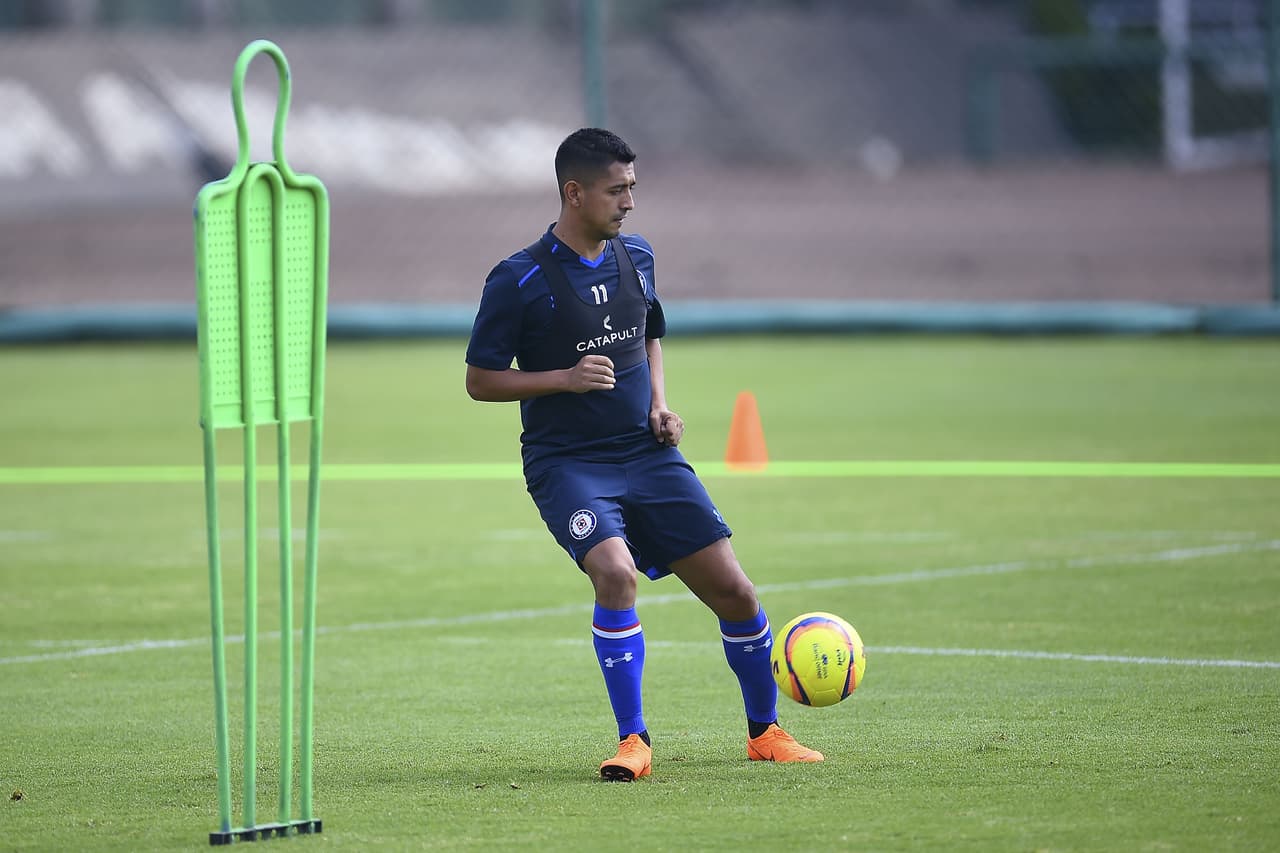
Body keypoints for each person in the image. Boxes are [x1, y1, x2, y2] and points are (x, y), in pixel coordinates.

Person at [464, 127, 822, 781]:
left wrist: (659, 403)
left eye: (633, 187)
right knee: (617, 572)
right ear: (574, 193)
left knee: (737, 593)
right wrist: (563, 379)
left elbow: (647, 337)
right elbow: (480, 380)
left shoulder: (638, 257)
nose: (629, 202)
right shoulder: (517, 279)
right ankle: (634, 740)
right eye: (616, 189)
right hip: (567, 464)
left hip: (646, 453)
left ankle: (765, 732)